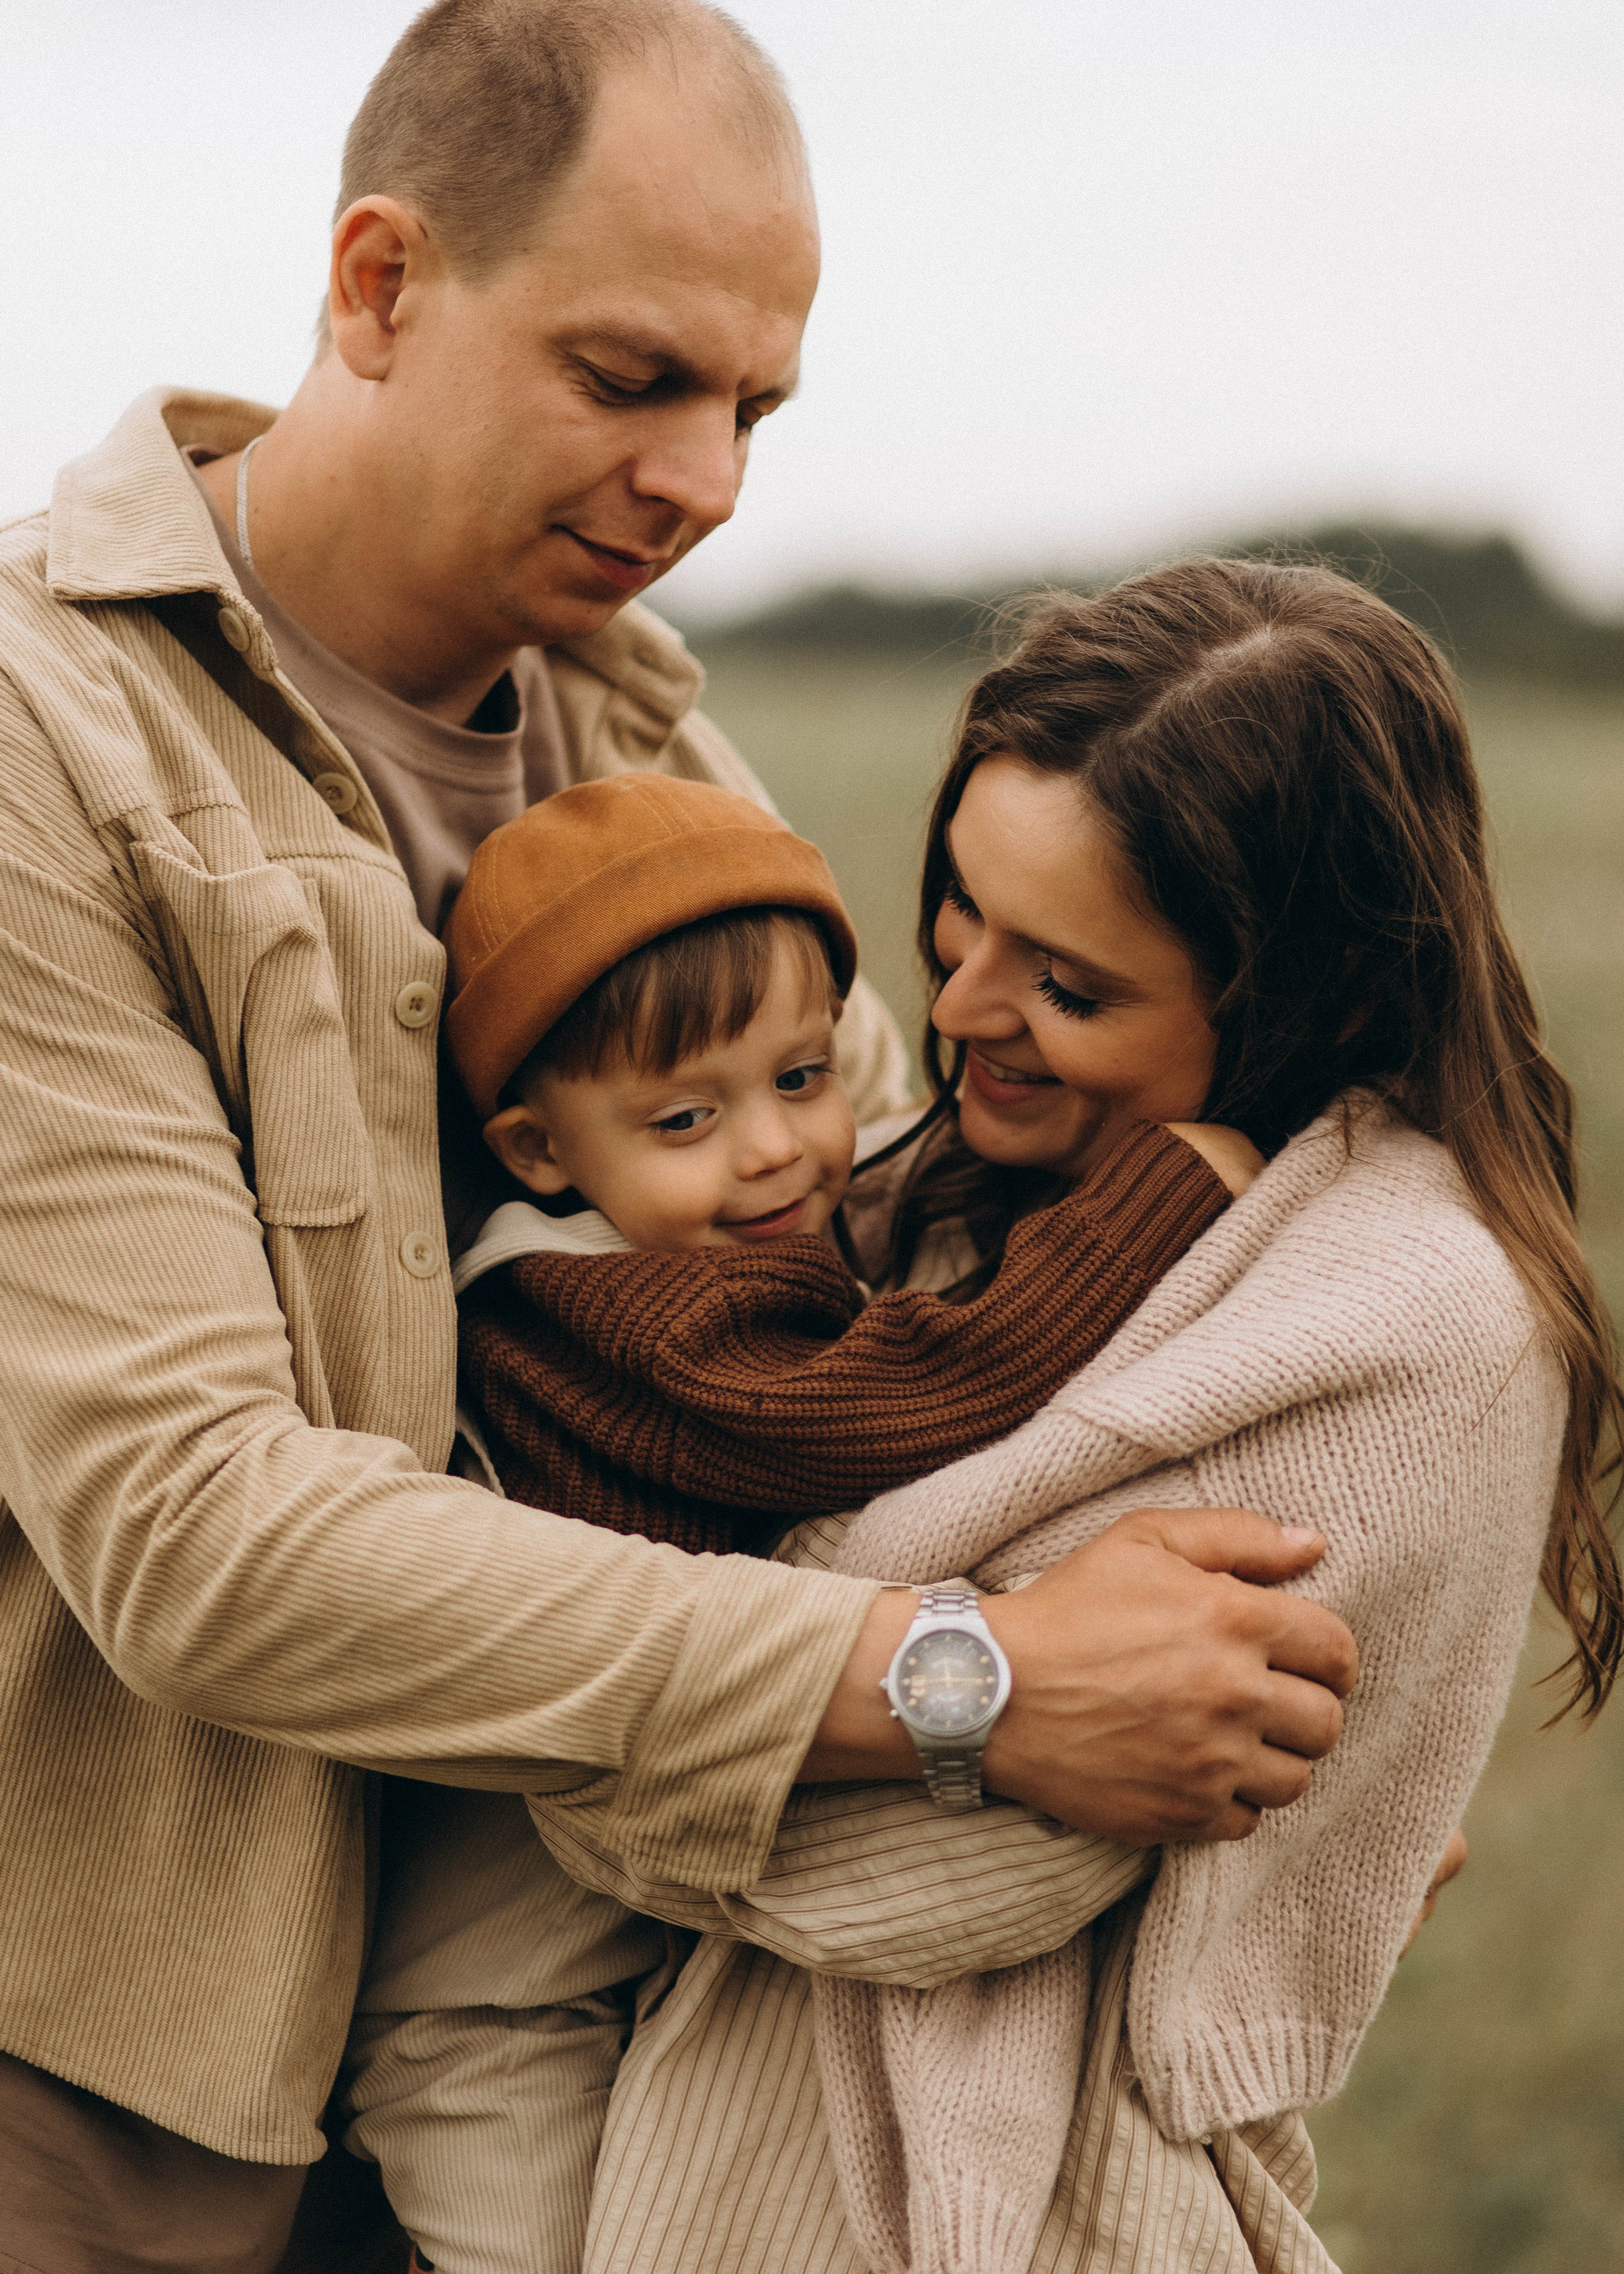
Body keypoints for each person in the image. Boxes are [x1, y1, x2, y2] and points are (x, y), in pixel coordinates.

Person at [0, 6, 1358, 2268]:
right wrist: (970, 1683)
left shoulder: (667, 753)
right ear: (376, 284)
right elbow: (191, 1530)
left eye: (755, 406)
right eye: (635, 381)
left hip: (654, 2006)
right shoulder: (43, 738)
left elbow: (901, 1288)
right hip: (119, 2099)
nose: (711, 479)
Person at [502, 558, 1621, 2274]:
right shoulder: (963, 1188)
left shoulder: (1410, 1328)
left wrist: (600, 1737)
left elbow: (936, 1878)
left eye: (1071, 986)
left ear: (1303, 991)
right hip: (709, 2166)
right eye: (962, 910)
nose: (950, 1012)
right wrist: (942, 1668)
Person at [339, 770, 1259, 2273]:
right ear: (536, 1151)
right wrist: (1152, 1198)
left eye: (803, 1076)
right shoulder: (582, 1304)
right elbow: (877, 1398)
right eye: (689, 1113)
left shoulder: (682, 1228)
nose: (773, 1150)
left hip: (639, 1903)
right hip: (493, 1986)